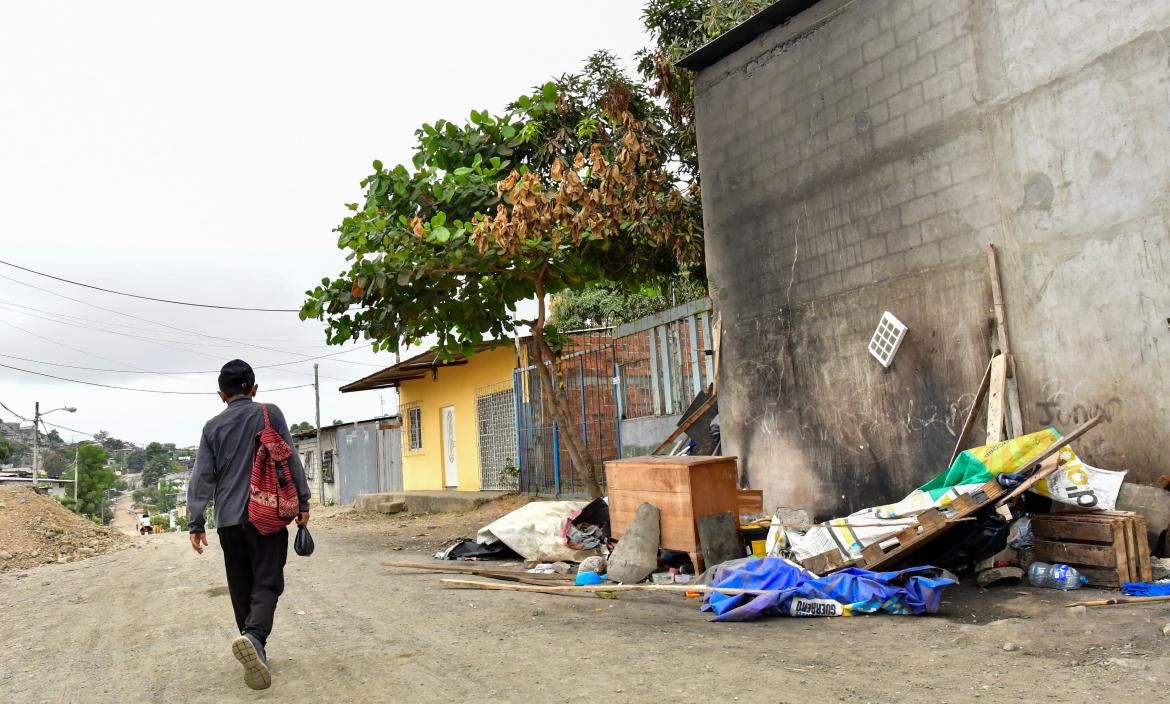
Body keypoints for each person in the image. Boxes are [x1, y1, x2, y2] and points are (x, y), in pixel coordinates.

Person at [187, 359, 310, 691]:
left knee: (241, 587)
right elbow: (289, 458)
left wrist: (195, 521)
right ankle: (255, 639)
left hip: (228, 519)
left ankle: (256, 650)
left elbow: (201, 477)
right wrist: (303, 500)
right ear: (254, 389)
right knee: (268, 583)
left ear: (220, 395)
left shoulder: (212, 427)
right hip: (267, 514)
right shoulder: (270, 412)